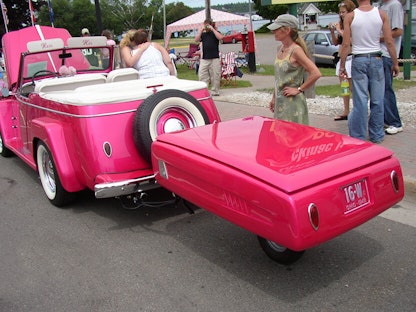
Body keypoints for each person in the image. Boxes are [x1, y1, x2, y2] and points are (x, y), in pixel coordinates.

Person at [340, 0, 399, 143]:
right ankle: (376, 134)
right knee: (378, 99)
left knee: (360, 100)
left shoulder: (350, 16)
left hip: (359, 58)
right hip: (377, 57)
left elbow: (346, 43)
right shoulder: (381, 14)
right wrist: (395, 63)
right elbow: (389, 41)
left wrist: (342, 65)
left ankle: (358, 134)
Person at [267, 14, 322, 125]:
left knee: (293, 137)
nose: (274, 32)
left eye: (276, 29)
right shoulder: (281, 48)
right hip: (281, 102)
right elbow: (279, 78)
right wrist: (274, 98)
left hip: (293, 104)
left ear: (287, 30)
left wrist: (299, 89)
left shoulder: (296, 50)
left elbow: (316, 73)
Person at [329, 0, 356, 121]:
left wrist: (340, 30)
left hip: (351, 59)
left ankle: (356, 110)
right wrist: (332, 32)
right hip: (341, 59)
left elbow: (350, 41)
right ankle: (346, 110)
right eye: (340, 12)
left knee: (352, 87)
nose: (341, 15)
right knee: (344, 87)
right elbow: (336, 43)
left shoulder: (352, 25)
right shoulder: (342, 25)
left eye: (343, 12)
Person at [380, 0, 404, 135]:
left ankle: (395, 122)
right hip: (379, 53)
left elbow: (398, 31)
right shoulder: (381, 6)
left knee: (386, 89)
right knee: (379, 90)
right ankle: (386, 119)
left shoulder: (394, 5)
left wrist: (377, 38)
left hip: (386, 54)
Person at [195, 19, 223, 96]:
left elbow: (221, 37)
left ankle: (215, 91)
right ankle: (204, 91)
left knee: (215, 76)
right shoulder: (203, 34)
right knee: (202, 75)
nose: (206, 27)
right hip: (204, 58)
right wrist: (201, 31)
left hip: (215, 58)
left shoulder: (215, 33)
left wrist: (213, 29)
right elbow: (196, 40)